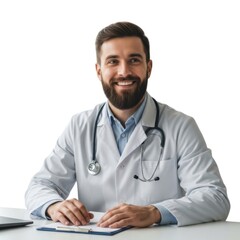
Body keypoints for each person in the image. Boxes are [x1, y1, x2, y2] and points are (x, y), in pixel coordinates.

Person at [25, 21, 230, 228]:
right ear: (99, 71)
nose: (124, 71)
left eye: (134, 60)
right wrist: (54, 206)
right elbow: (40, 186)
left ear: (148, 67)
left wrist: (155, 212)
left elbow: (215, 197)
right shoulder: (80, 126)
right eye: (113, 61)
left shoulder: (180, 126)